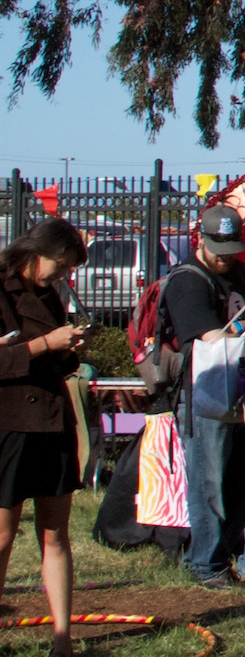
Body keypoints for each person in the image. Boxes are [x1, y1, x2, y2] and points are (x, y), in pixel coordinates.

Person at [160, 204, 245, 587]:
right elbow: (206, 336)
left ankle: (220, 559)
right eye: (219, 249)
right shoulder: (188, 280)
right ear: (200, 240)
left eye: (232, 248)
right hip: (205, 392)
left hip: (238, 387)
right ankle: (204, 563)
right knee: (209, 480)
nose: (226, 258)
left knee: (243, 479)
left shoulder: (241, 273)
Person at [0, 219, 89, 656]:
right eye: (60, 264)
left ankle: (62, 639)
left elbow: (53, 356)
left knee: (55, 534)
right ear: (37, 250)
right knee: (1, 535)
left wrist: (70, 351)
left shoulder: (49, 295)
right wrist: (45, 344)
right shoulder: (0, 287)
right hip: (9, 425)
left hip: (52, 423)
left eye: (68, 268)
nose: (62, 274)